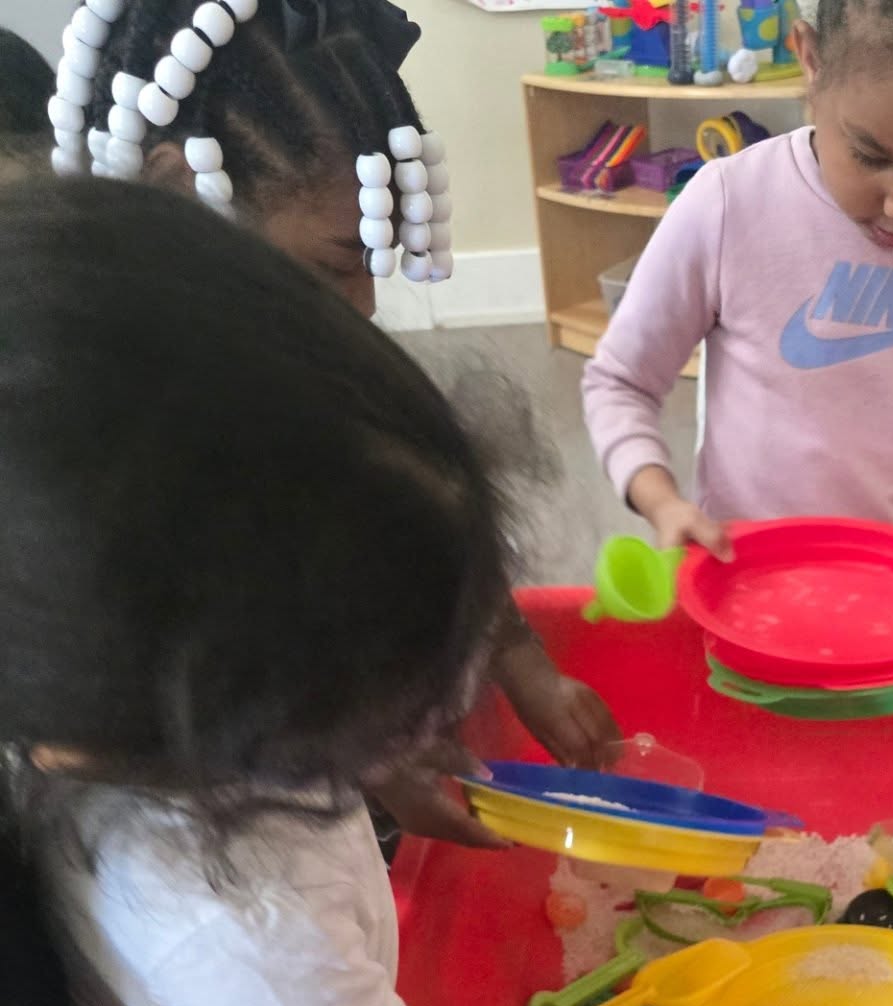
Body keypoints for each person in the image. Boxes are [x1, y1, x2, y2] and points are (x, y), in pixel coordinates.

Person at [0, 176, 786, 1006]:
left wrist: (373, 771)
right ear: (234, 728)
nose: (429, 720)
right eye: (374, 708)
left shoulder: (131, 718)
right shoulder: (224, 927)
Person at [44, 0, 615, 842]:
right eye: (337, 266)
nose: (367, 306)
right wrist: (340, 757)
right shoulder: (83, 445)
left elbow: (413, 505)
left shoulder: (297, 361)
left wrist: (521, 659)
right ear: (178, 192)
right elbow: (84, 741)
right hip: (216, 843)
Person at [582, 0, 893, 575]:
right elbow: (621, 382)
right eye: (872, 156)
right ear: (812, 61)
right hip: (745, 582)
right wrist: (661, 501)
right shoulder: (730, 203)